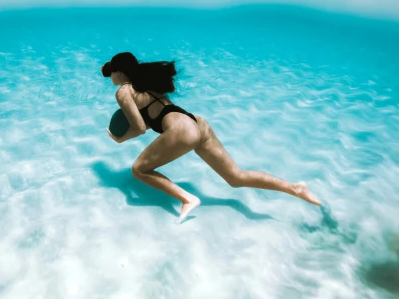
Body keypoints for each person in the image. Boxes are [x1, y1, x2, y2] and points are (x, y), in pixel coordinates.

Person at [102, 52, 321, 222]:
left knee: (138, 170)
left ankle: (187, 199)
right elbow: (153, 117)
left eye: (112, 72)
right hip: (197, 123)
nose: (111, 77)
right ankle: (295, 187)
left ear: (120, 73)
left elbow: (139, 127)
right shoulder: (145, 86)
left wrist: (119, 138)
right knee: (236, 177)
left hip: (182, 130)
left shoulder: (124, 91)